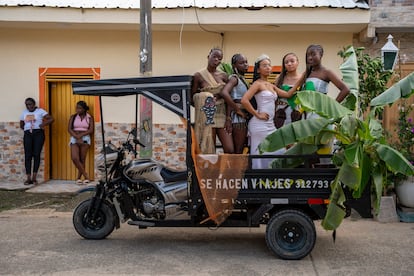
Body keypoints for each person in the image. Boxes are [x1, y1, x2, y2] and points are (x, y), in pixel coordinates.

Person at [241, 55, 303, 169]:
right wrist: (257, 113)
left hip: (270, 124)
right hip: (259, 125)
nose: (268, 67)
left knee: (279, 151)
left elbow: (288, 95)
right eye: (265, 65)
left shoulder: (272, 86)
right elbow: (244, 100)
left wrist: (301, 80)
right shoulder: (257, 84)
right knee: (259, 153)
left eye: (269, 65)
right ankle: (258, 180)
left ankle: (271, 179)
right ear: (258, 70)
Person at [191, 47, 233, 154]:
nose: (216, 60)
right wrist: (205, 98)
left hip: (222, 115)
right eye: (214, 56)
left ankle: (225, 170)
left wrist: (228, 118)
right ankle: (212, 170)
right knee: (210, 148)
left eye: (219, 58)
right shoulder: (198, 76)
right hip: (208, 117)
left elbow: (229, 98)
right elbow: (192, 98)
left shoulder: (223, 76)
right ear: (208, 56)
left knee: (229, 149)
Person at [19, 97, 54, 185]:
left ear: (34, 104)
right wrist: (27, 129)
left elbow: (51, 119)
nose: (28, 106)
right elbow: (21, 123)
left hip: (38, 133)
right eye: (26, 104)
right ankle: (28, 178)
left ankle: (34, 177)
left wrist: (42, 124)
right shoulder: (24, 112)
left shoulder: (40, 111)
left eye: (30, 104)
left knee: (36, 154)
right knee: (28, 155)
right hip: (28, 134)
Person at [220, 53, 250, 154]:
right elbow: (225, 93)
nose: (245, 65)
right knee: (238, 151)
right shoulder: (234, 78)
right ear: (234, 66)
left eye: (246, 62)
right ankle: (235, 169)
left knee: (239, 150)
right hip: (237, 119)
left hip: (241, 117)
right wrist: (237, 110)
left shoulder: (242, 79)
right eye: (241, 63)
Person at [68, 101, 94, 184]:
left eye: (79, 108)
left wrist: (81, 135)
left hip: (85, 138)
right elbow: (69, 129)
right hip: (74, 138)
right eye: (76, 108)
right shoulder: (73, 117)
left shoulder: (89, 117)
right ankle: (86, 176)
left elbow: (91, 129)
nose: (77, 110)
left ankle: (79, 178)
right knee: (75, 158)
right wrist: (76, 136)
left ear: (84, 109)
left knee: (82, 159)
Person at [274, 52, 302, 128]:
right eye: (286, 62)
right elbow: (275, 98)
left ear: (297, 62)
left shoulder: (302, 79)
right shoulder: (279, 78)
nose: (289, 64)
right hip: (280, 113)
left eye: (292, 61)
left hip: (296, 112)